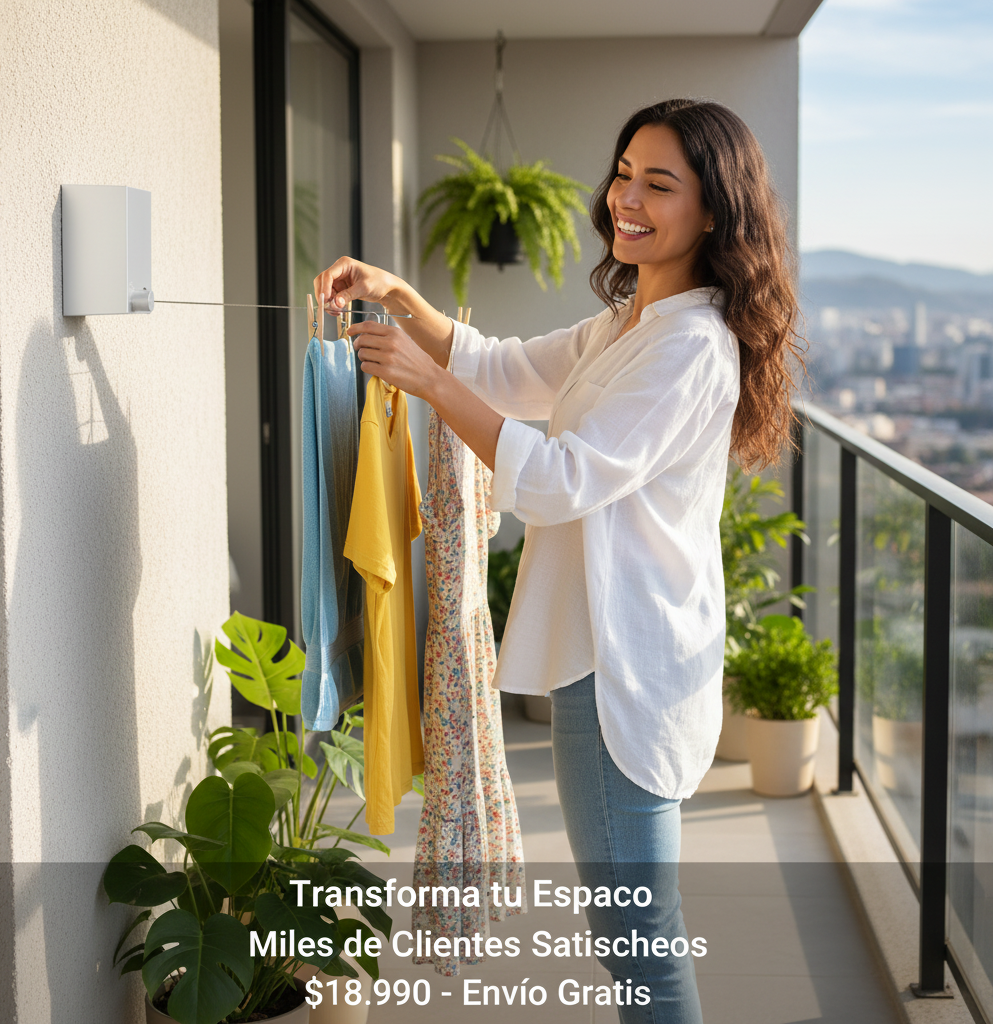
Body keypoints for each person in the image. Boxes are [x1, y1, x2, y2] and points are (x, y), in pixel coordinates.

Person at [314, 98, 803, 1024]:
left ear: (714, 211)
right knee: (635, 932)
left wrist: (428, 383)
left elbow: (557, 480)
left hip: (623, 667)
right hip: (601, 652)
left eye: (659, 184)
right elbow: (504, 370)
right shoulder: (632, 323)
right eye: (623, 173)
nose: (627, 198)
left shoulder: (689, 347)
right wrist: (404, 298)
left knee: (638, 939)